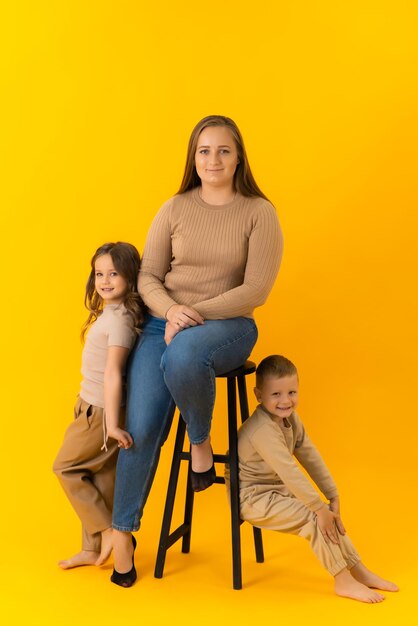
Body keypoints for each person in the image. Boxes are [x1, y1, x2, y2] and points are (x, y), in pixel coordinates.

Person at [111, 115, 284, 587]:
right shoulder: (175, 207)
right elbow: (147, 275)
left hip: (226, 325)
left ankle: (201, 444)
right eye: (204, 151)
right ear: (193, 157)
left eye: (223, 151)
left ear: (239, 157)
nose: (213, 159)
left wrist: (193, 314)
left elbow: (256, 289)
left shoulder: (258, 212)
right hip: (161, 325)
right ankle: (122, 532)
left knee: (185, 355)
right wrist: (171, 311)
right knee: (141, 426)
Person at [233, 354, 399, 603]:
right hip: (252, 497)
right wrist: (319, 508)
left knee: (326, 514)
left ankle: (358, 570)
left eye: (291, 392)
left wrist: (331, 495)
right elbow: (289, 470)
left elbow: (309, 454)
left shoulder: (289, 418)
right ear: (258, 395)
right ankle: (342, 581)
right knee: (315, 517)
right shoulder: (261, 429)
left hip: (277, 489)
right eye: (276, 394)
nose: (285, 401)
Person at [53, 242, 145, 571]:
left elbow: (113, 373)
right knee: (103, 477)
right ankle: (92, 549)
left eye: (114, 274)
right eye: (99, 274)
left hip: (100, 411)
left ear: (130, 278)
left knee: (65, 468)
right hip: (91, 405)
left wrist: (111, 425)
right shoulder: (113, 313)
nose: (105, 281)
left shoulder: (120, 321)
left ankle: (109, 533)